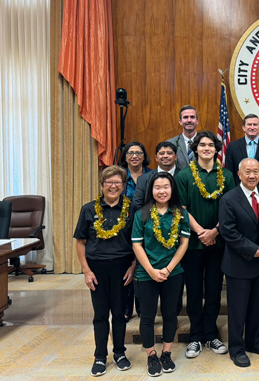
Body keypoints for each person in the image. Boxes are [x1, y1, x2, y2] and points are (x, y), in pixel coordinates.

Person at [175, 131, 235, 359]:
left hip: (218, 243)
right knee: (193, 293)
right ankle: (195, 337)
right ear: (195, 148)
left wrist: (215, 231)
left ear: (217, 148)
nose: (207, 148)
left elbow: (230, 208)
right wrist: (201, 232)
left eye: (211, 145)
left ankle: (211, 334)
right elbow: (181, 208)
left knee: (213, 292)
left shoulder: (227, 175)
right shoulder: (184, 175)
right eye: (202, 145)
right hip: (192, 246)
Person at [74, 165, 136, 377]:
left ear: (123, 186)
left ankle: (119, 352)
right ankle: (100, 356)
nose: (113, 186)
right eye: (108, 182)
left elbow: (138, 241)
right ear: (101, 185)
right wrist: (86, 270)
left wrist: (134, 265)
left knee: (119, 314)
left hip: (122, 268)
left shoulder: (131, 210)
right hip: (97, 268)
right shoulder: (88, 209)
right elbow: (80, 241)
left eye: (118, 182)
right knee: (101, 314)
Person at [132, 172, 190, 376]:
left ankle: (166, 352)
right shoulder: (142, 214)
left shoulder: (181, 214)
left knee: (170, 314)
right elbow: (137, 245)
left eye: (166, 186)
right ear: (151, 190)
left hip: (172, 272)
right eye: (157, 187)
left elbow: (184, 243)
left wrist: (168, 269)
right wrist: (151, 270)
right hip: (146, 273)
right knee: (147, 316)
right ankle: (151, 355)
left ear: (172, 189)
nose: (162, 191)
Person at [219, 158, 259, 368]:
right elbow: (228, 231)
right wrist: (251, 249)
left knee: (256, 307)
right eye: (248, 172)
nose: (252, 176)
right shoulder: (229, 199)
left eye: (256, 172)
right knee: (237, 310)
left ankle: (254, 342)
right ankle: (237, 348)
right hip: (239, 263)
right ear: (239, 175)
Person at [224, 113, 259, 297]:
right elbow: (230, 173)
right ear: (244, 127)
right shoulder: (233, 146)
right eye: (249, 125)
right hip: (241, 198)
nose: (252, 127)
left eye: (256, 124)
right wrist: (235, 196)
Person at [119, 141, 153, 321]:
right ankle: (125, 308)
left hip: (145, 224)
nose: (134, 156)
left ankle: (142, 308)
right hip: (123, 226)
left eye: (138, 153)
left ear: (144, 156)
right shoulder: (118, 175)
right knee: (126, 266)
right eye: (130, 153)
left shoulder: (152, 174)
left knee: (141, 267)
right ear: (125, 156)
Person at [132, 141, 179, 212]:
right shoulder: (143, 179)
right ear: (156, 157)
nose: (165, 156)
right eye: (161, 153)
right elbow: (137, 205)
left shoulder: (184, 176)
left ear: (175, 157)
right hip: (150, 220)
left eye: (169, 153)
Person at [167, 105, 199, 171]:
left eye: (192, 117)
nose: (189, 120)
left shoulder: (205, 143)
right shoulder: (170, 143)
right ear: (180, 122)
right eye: (185, 117)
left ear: (197, 121)